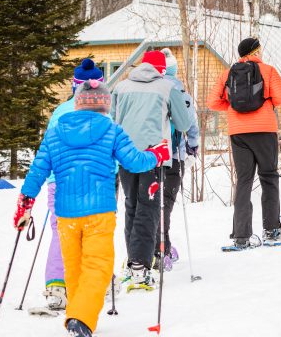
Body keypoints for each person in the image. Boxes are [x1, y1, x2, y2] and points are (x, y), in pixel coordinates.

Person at [13, 80, 170, 337]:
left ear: (77, 103)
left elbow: (37, 170)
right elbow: (135, 162)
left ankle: (77, 316)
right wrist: (157, 154)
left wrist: (25, 203)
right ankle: (81, 319)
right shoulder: (111, 129)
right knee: (98, 266)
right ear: (106, 105)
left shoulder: (55, 132)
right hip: (99, 212)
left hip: (66, 214)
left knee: (73, 267)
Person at [111, 50, 191, 285]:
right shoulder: (167, 87)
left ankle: (133, 260)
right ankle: (140, 265)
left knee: (132, 206)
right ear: (161, 68)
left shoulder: (121, 87)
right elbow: (183, 123)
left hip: (125, 156)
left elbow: (114, 122)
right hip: (153, 156)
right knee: (149, 208)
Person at [207, 37, 281, 251]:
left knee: (243, 181)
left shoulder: (228, 74)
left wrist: (234, 107)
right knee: (269, 177)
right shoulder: (268, 71)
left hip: (238, 133)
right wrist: (266, 103)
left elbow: (212, 101)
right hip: (264, 131)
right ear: (255, 51)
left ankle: (241, 236)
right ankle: (272, 230)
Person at [38, 58, 104, 313]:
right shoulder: (104, 110)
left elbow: (47, 148)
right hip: (93, 181)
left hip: (61, 181)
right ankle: (95, 282)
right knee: (94, 232)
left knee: (62, 232)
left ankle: (56, 287)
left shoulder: (60, 111)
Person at [154, 48, 200, 271]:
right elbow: (190, 122)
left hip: (148, 155)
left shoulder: (148, 89)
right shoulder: (179, 91)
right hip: (173, 154)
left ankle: (159, 245)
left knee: (151, 202)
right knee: (166, 203)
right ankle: (161, 248)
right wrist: (192, 147)